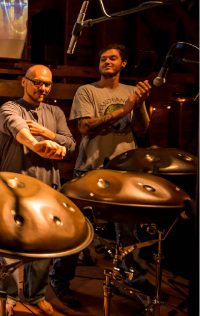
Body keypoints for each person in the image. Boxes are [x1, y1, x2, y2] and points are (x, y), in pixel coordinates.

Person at [50, 43, 152, 306]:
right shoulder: (87, 91)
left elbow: (140, 130)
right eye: (103, 58)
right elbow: (85, 127)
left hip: (124, 171)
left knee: (129, 230)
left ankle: (134, 277)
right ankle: (60, 279)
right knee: (77, 228)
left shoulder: (132, 92)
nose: (107, 61)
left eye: (113, 58)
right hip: (90, 169)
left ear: (123, 63)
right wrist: (124, 109)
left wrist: (139, 105)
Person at [0, 64, 76, 316]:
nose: (42, 88)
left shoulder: (55, 111)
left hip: (47, 189)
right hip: (15, 188)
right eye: (37, 82)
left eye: (47, 84)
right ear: (23, 81)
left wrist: (48, 134)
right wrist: (37, 145)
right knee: (9, 246)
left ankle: (35, 294)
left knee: (43, 247)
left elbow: (70, 143)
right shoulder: (10, 107)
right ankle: (8, 296)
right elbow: (18, 127)